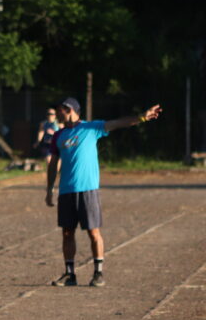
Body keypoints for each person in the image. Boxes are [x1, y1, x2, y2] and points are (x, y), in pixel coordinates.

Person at [46, 97, 162, 288]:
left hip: (87, 190)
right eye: (58, 109)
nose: (59, 112)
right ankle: (70, 274)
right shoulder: (58, 136)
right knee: (67, 233)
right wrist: (49, 189)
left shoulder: (91, 128)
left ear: (71, 110)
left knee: (93, 232)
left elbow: (118, 123)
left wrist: (141, 117)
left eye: (62, 109)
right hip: (66, 190)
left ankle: (98, 272)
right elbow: (53, 164)